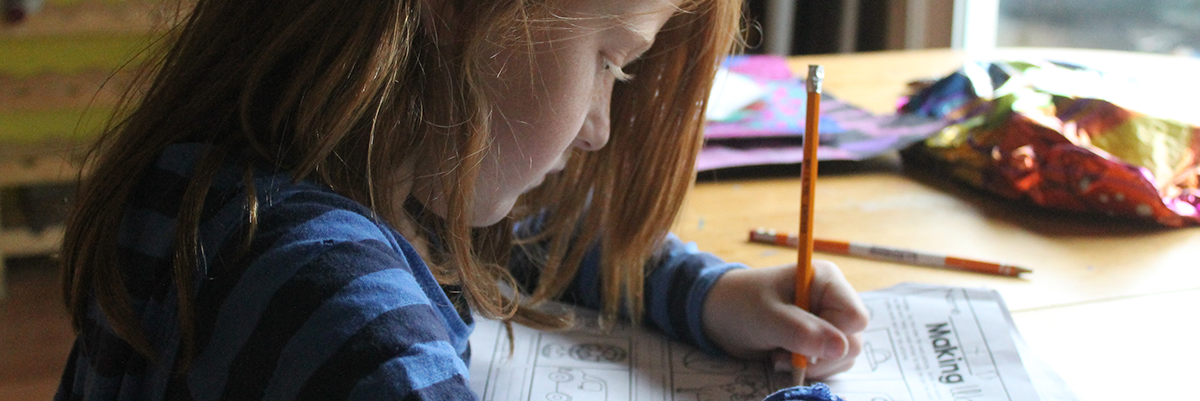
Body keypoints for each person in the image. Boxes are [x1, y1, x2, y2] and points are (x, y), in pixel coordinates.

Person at [56, 0, 870, 399]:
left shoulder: (236, 178)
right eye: (609, 61)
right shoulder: (330, 300)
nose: (599, 127)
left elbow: (529, 234)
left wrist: (710, 292)